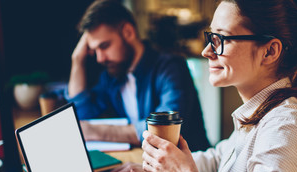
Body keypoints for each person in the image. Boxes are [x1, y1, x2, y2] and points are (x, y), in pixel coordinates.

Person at [99, 0, 297, 172]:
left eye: (221, 39)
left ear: (270, 51)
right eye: (210, 37)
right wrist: (162, 170)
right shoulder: (261, 113)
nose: (206, 51)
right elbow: (219, 160)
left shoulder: (286, 131)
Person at [65, 0, 210, 151]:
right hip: (148, 164)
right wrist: (77, 60)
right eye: (94, 50)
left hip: (192, 168)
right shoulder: (112, 75)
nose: (100, 58)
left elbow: (164, 130)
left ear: (128, 32)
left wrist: (97, 131)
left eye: (104, 46)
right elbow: (81, 116)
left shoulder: (171, 67)